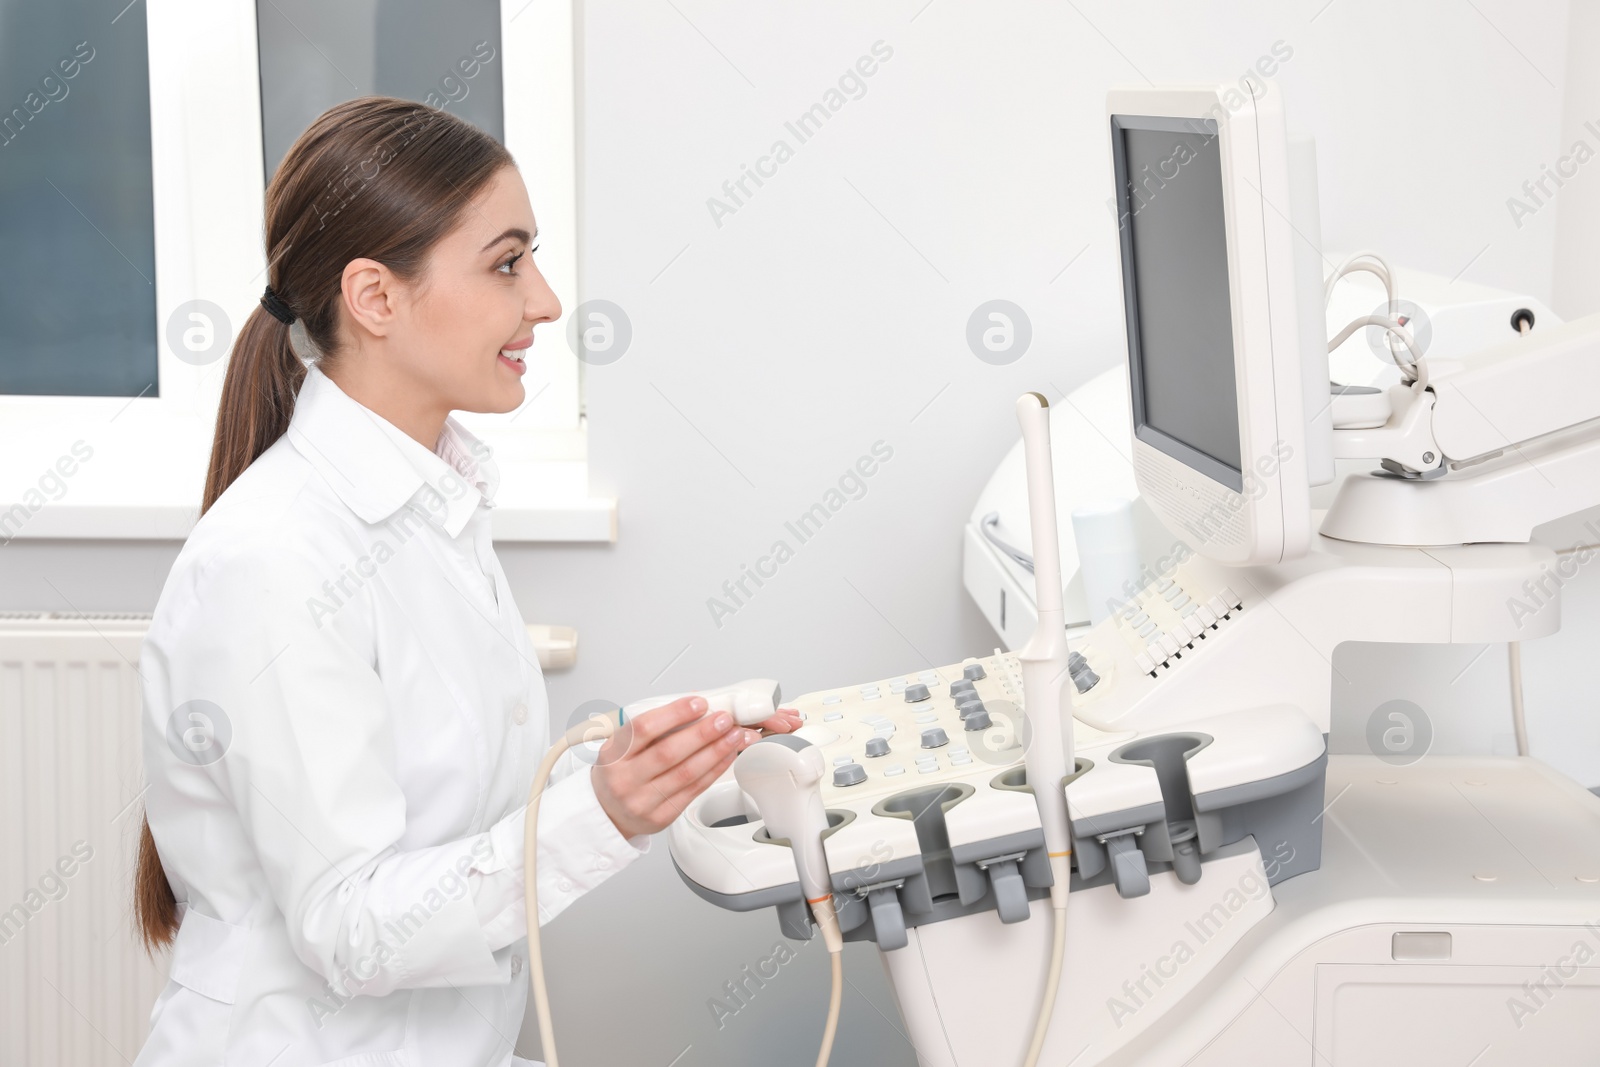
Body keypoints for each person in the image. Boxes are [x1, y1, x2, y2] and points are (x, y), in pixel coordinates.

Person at [131, 95, 798, 1067]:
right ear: (375, 297)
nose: (545, 301)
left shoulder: (431, 498)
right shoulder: (274, 560)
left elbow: (458, 808)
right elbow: (351, 926)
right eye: (506, 262)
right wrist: (600, 814)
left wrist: (654, 755)